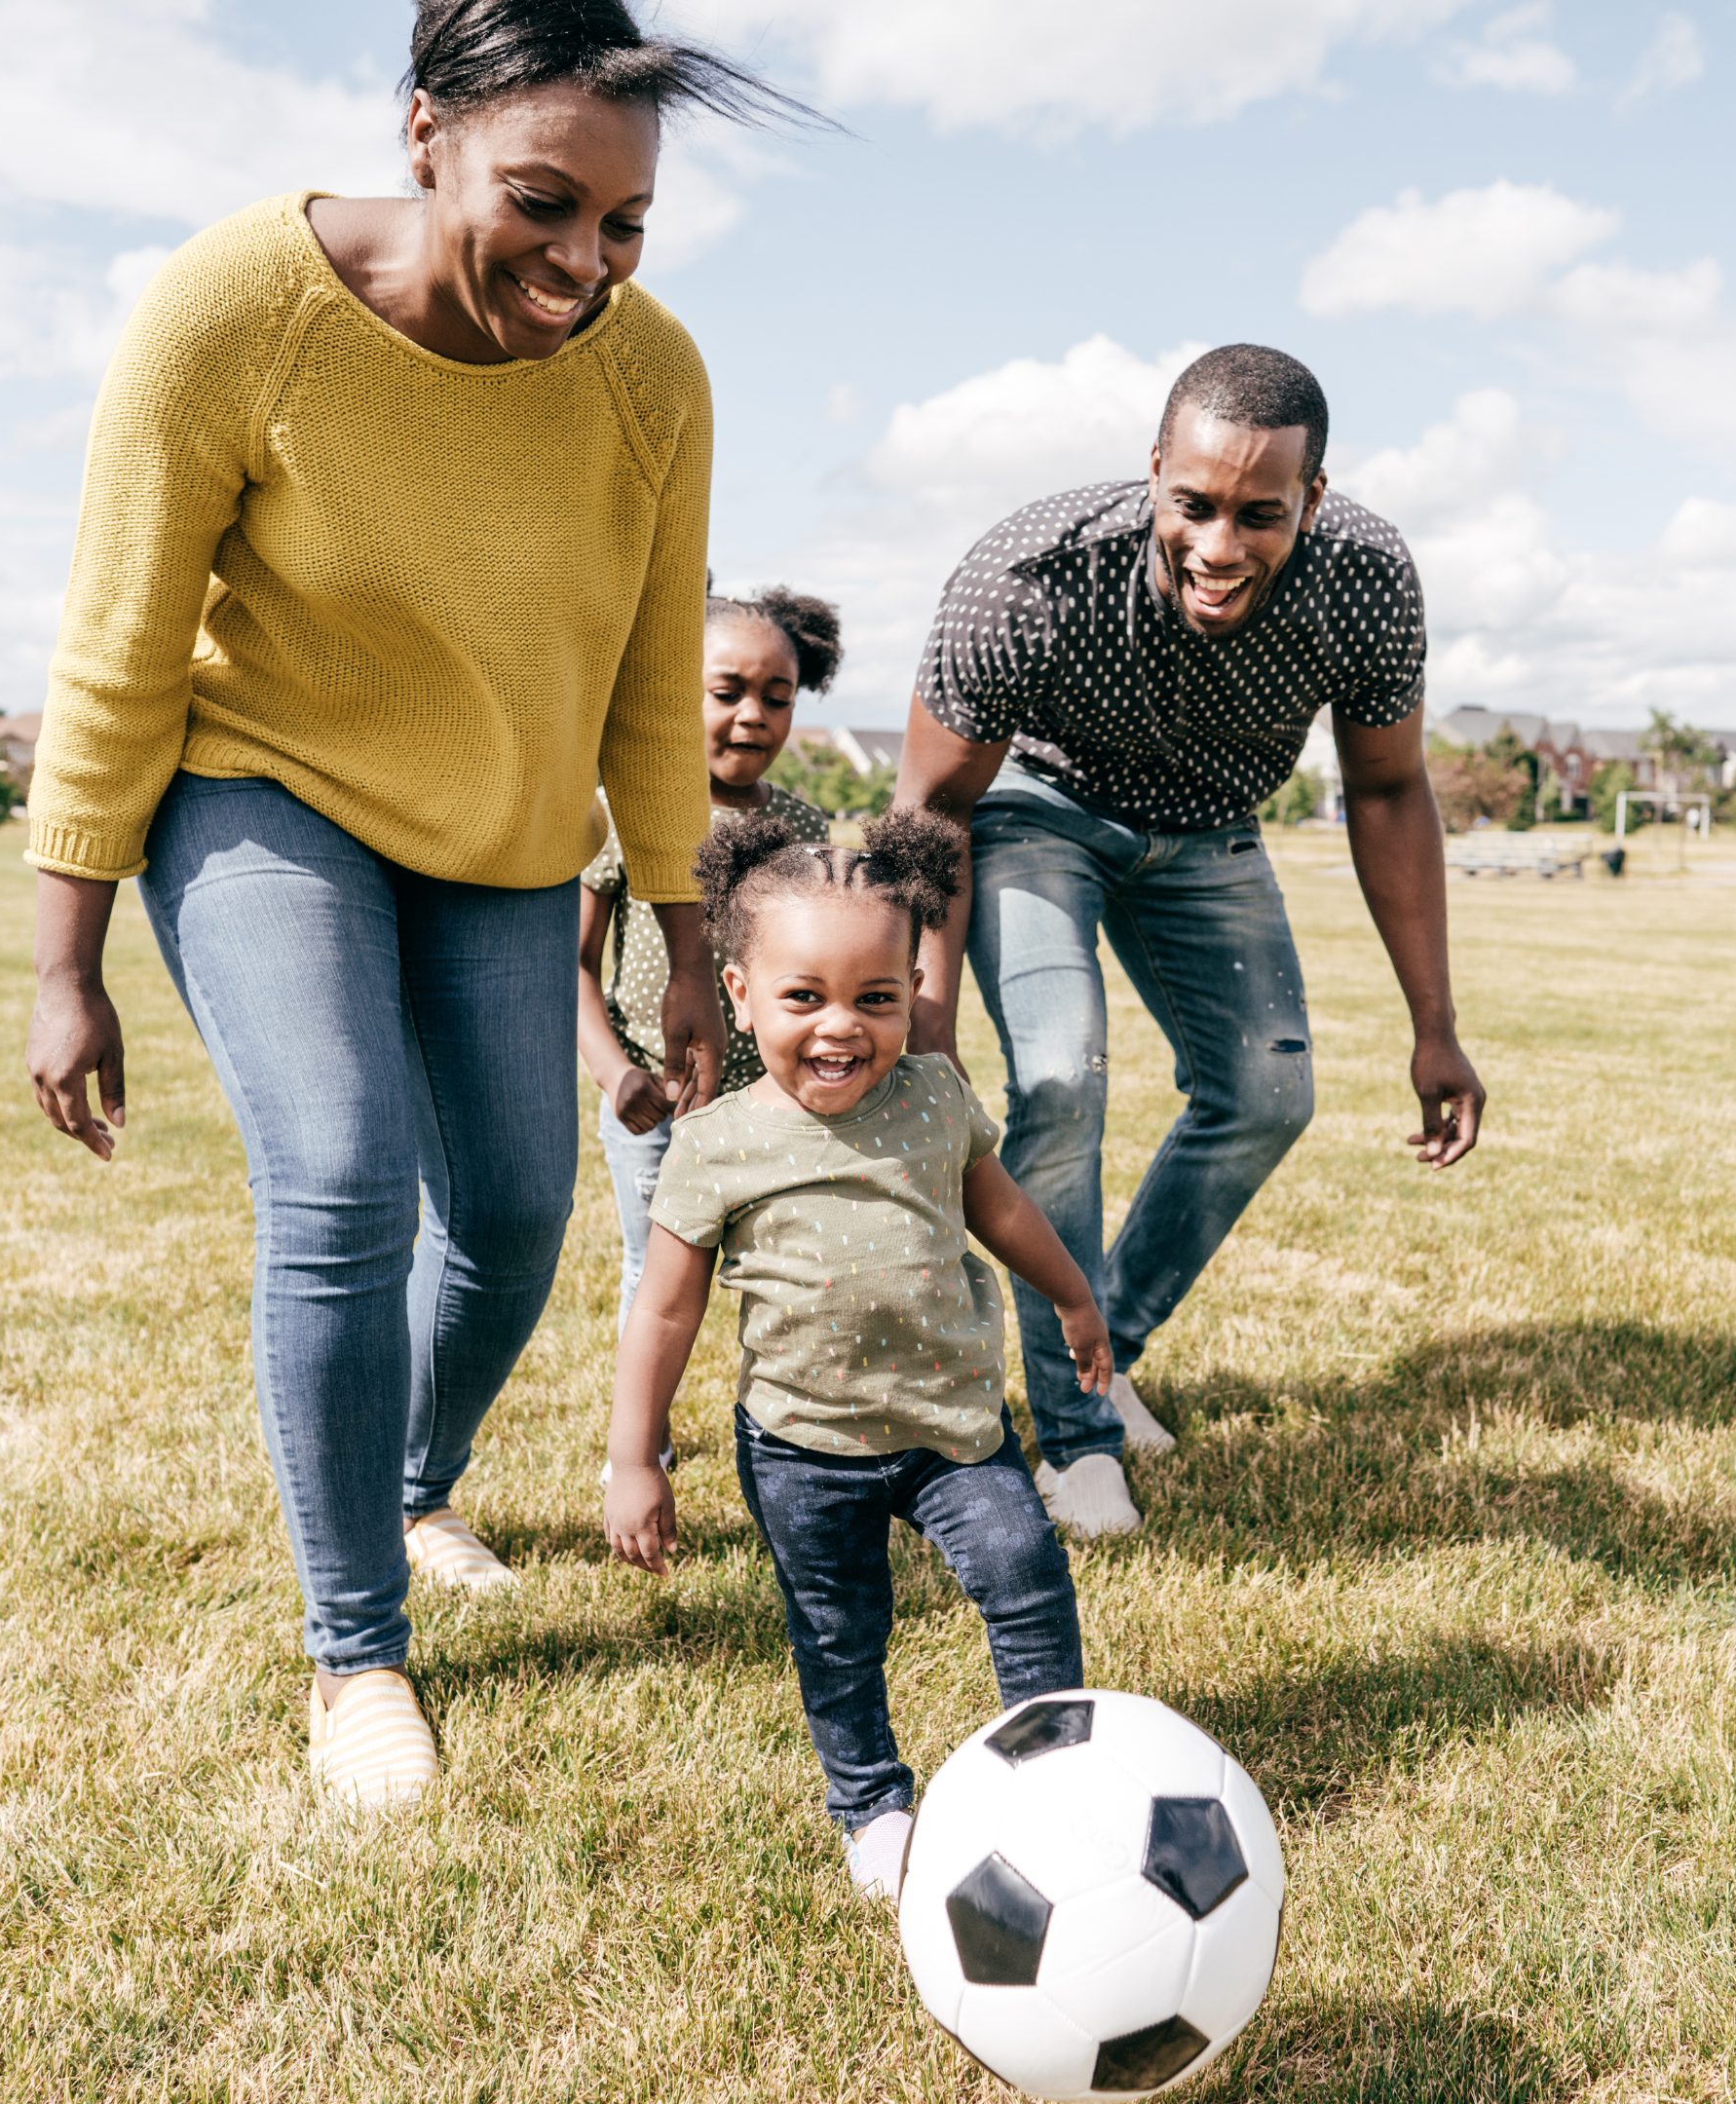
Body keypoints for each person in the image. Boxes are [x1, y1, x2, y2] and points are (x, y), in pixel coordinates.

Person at [20, 0, 816, 1810]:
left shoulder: (652, 377)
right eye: (545, 203)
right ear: (423, 134)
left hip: (508, 840)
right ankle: (354, 1648)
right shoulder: (236, 305)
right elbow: (124, 639)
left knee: (520, 1221)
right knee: (344, 1173)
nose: (581, 263)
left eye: (623, 227)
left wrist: (685, 946)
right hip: (261, 791)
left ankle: (411, 1478)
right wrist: (65, 957)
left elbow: (640, 685)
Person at [897, 343, 1487, 1541]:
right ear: (1153, 470)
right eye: (1194, 506)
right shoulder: (1028, 573)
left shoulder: (1365, 580)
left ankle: (1100, 1347)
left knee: (1268, 1095)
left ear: (1311, 502)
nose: (1219, 546)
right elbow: (929, 808)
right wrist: (926, 1021)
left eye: (1259, 515)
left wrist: (1435, 1026)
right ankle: (1073, 1443)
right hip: (1037, 814)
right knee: (1059, 1079)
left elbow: (1384, 789)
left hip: (1211, 828)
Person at [603, 808, 1110, 1898]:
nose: (842, 1028)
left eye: (876, 998)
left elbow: (1000, 1206)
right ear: (739, 994)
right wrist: (633, 1458)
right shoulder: (714, 1142)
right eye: (804, 998)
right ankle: (872, 1803)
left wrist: (1070, 1293)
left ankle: (1052, 1774)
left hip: (952, 1431)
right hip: (803, 1446)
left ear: (915, 990)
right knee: (837, 1632)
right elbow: (663, 1312)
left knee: (1024, 1575)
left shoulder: (933, 1097)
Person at [579, 585, 843, 1330]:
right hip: (654, 1101)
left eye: (777, 697)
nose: (753, 714)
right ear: (671, 692)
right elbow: (576, 963)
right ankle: (639, 1442)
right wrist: (613, 1073)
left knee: (787, 1270)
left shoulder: (801, 826)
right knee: (656, 1272)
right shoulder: (626, 809)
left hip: (771, 1102)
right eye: (726, 692)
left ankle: (792, 1427)